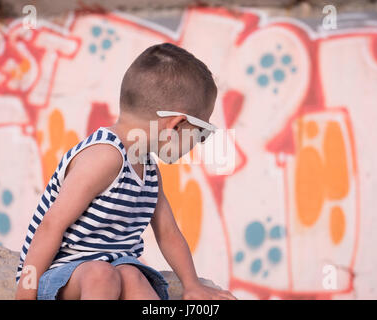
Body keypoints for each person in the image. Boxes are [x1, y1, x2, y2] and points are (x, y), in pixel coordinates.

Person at [14, 42, 237, 300]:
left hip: (113, 267)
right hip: (58, 273)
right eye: (202, 133)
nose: (199, 142)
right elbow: (51, 225)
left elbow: (168, 232)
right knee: (102, 275)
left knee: (134, 275)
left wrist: (192, 285)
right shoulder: (104, 157)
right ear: (176, 125)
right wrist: (26, 292)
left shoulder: (148, 169)